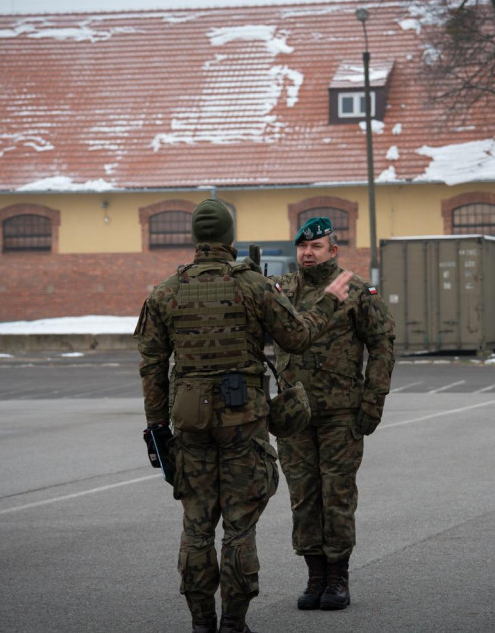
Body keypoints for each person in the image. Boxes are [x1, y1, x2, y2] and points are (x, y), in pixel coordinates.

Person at [135, 199, 353, 633]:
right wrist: (328, 303)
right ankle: (234, 623)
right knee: (238, 529)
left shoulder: (164, 292)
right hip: (243, 422)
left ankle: (201, 623)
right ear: (230, 238)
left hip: (190, 424)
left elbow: (151, 366)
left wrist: (158, 427)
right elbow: (295, 337)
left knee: (196, 528)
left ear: (196, 238)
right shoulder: (253, 286)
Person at [272, 216, 396, 612]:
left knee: (336, 495)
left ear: (333, 250)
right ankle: (314, 576)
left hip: (341, 414)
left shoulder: (357, 291)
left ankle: (338, 577)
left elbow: (382, 346)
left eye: (317, 247)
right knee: (303, 497)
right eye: (302, 247)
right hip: (295, 415)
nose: (308, 254)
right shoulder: (281, 291)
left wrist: (372, 402)